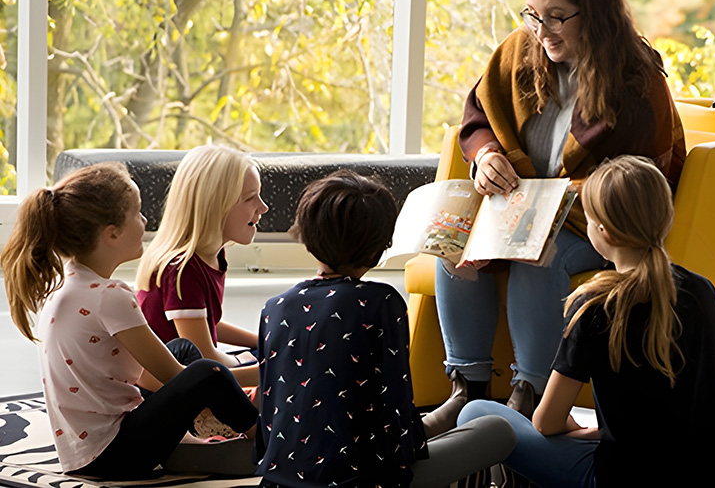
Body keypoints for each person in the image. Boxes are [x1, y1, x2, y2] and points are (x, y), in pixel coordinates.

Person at [431, 0, 687, 427]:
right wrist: (487, 155)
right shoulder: (519, 50)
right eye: (533, 14)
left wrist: (562, 199)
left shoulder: (636, 78)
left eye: (556, 17)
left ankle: (529, 392)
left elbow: (647, 178)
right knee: (454, 246)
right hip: (519, 207)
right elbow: (478, 114)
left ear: (596, 13)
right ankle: (466, 389)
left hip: (598, 221)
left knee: (539, 256)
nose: (541, 31)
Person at [457, 155, 715, 487]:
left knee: (476, 413)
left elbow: (546, 423)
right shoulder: (703, 289)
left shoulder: (596, 305)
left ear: (603, 232)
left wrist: (579, 429)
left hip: (615, 477)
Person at [254, 170, 517, 487]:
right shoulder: (381, 302)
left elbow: (269, 414)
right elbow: (396, 412)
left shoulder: (274, 308)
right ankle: (456, 411)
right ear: (380, 247)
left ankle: (449, 413)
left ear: (307, 237)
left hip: (280, 479)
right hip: (366, 479)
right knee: (499, 431)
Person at [0, 163, 258, 478]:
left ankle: (188, 441)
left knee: (182, 349)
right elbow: (174, 375)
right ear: (112, 233)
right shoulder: (111, 296)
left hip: (83, 448)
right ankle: (266, 440)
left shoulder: (69, 282)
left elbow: (152, 373)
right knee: (207, 373)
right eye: (137, 213)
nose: (145, 221)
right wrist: (264, 372)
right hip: (113, 453)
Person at [136, 144, 268, 389]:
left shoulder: (213, 255)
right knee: (279, 376)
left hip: (195, 367)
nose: (263, 207)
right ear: (216, 205)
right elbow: (204, 354)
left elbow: (207, 324)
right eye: (251, 198)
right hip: (165, 387)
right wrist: (252, 362)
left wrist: (262, 342)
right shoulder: (182, 269)